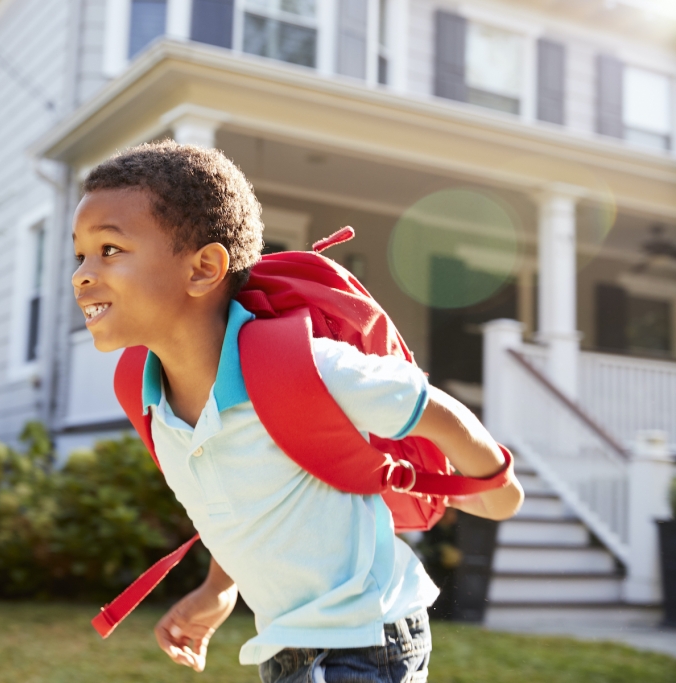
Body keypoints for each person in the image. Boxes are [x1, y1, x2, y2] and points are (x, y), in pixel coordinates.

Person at [71, 140, 524, 683]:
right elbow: (240, 500)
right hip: (284, 650)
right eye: (80, 255)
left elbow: (428, 405)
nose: (82, 273)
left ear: (203, 269)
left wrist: (495, 484)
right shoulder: (148, 396)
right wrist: (219, 588)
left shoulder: (304, 367)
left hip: (367, 640)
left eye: (110, 250)